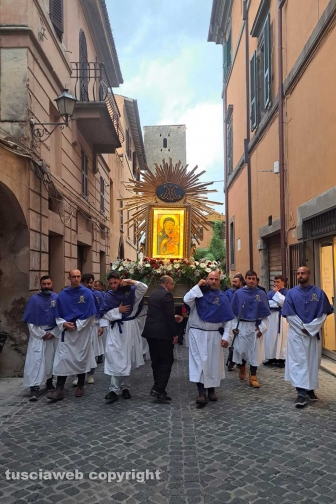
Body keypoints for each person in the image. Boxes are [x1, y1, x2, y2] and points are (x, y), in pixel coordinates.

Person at [282, 266, 333, 408]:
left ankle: (310, 389)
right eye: (298, 273)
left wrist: (310, 328)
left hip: (312, 334)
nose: (300, 275)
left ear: (309, 274)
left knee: (312, 362)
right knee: (299, 363)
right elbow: (289, 315)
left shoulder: (319, 293)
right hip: (297, 335)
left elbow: (323, 314)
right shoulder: (291, 294)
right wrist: (301, 328)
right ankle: (301, 393)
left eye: (303, 273)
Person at [184, 271, 235, 406]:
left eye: (216, 279)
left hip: (214, 335)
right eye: (210, 279)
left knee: (213, 364)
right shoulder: (198, 294)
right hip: (197, 334)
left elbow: (228, 320)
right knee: (199, 363)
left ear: (219, 281)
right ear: (206, 279)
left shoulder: (223, 298)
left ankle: (211, 390)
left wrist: (226, 337)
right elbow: (186, 299)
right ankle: (201, 392)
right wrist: (197, 286)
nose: (213, 281)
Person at [47, 269, 98, 401]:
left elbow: (90, 314)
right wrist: (63, 324)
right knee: (62, 360)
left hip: (81, 333)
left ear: (80, 278)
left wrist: (77, 325)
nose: (76, 279)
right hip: (67, 334)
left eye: (78, 276)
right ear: (69, 278)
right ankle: (60, 388)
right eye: (73, 276)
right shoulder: (63, 295)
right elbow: (57, 314)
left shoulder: (87, 294)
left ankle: (81, 385)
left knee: (80, 359)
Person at [101, 272, 148, 403]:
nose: (113, 286)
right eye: (110, 283)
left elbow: (144, 287)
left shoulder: (132, 292)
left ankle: (125, 387)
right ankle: (113, 389)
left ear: (120, 281)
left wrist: (129, 280)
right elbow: (103, 314)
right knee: (114, 357)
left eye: (115, 282)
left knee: (127, 358)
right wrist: (117, 311)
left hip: (129, 328)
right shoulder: (108, 296)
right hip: (115, 329)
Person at [142, 276, 182, 401]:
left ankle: (159, 388)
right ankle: (158, 388)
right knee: (167, 360)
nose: (173, 286)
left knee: (156, 361)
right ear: (166, 283)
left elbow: (159, 313)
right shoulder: (167, 295)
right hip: (163, 334)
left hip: (150, 332)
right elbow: (168, 316)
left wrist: (172, 316)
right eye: (172, 284)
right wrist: (175, 334)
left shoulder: (153, 293)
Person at [22, 275, 60, 402]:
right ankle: (34, 388)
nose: (46, 286)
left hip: (52, 335)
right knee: (35, 362)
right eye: (44, 284)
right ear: (40, 284)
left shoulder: (57, 298)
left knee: (50, 361)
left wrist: (54, 332)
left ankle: (49, 382)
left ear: (52, 283)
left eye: (48, 284)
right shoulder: (34, 300)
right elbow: (30, 322)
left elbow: (61, 319)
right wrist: (41, 334)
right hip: (38, 336)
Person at [231, 270, 271, 388]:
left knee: (255, 352)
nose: (251, 281)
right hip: (242, 325)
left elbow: (265, 315)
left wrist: (262, 329)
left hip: (255, 326)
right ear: (246, 279)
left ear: (256, 279)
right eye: (249, 278)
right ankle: (242, 367)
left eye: (253, 278)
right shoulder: (238, 293)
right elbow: (233, 313)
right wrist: (234, 327)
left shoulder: (261, 294)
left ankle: (253, 375)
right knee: (241, 350)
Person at [80, 273, 105, 384]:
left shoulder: (97, 294)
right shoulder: (79, 294)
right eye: (87, 283)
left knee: (92, 351)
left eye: (91, 282)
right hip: (80, 327)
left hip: (93, 326)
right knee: (80, 351)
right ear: (82, 283)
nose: (90, 285)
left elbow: (101, 310)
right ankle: (78, 375)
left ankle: (91, 374)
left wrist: (101, 325)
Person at [263, 275, 288, 368]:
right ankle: (271, 357)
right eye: (274, 282)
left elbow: (285, 303)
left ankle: (281, 359)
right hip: (272, 318)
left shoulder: (287, 292)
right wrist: (277, 302)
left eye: (277, 282)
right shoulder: (270, 293)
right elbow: (267, 303)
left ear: (283, 283)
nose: (275, 284)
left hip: (282, 318)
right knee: (271, 338)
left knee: (282, 339)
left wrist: (277, 295)